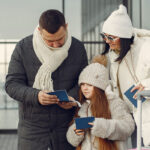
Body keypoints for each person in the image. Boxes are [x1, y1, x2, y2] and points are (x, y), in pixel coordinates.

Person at [5, 9, 88, 150]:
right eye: (49, 41)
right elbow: (12, 84)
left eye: (60, 39)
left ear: (66, 27)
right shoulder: (23, 48)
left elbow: (85, 83)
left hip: (66, 127)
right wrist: (36, 95)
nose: (56, 45)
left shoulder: (77, 48)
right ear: (39, 30)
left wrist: (73, 98)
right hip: (32, 130)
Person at [100, 4, 150, 147]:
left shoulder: (145, 47)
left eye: (111, 37)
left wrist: (146, 85)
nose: (107, 41)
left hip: (146, 113)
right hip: (130, 115)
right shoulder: (114, 53)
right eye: (105, 36)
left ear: (123, 36)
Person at [66, 56, 135, 150]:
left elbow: (127, 128)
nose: (84, 88)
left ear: (99, 87)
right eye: (82, 84)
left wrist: (101, 126)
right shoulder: (84, 106)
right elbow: (72, 140)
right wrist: (76, 132)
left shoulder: (115, 103)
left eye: (89, 85)